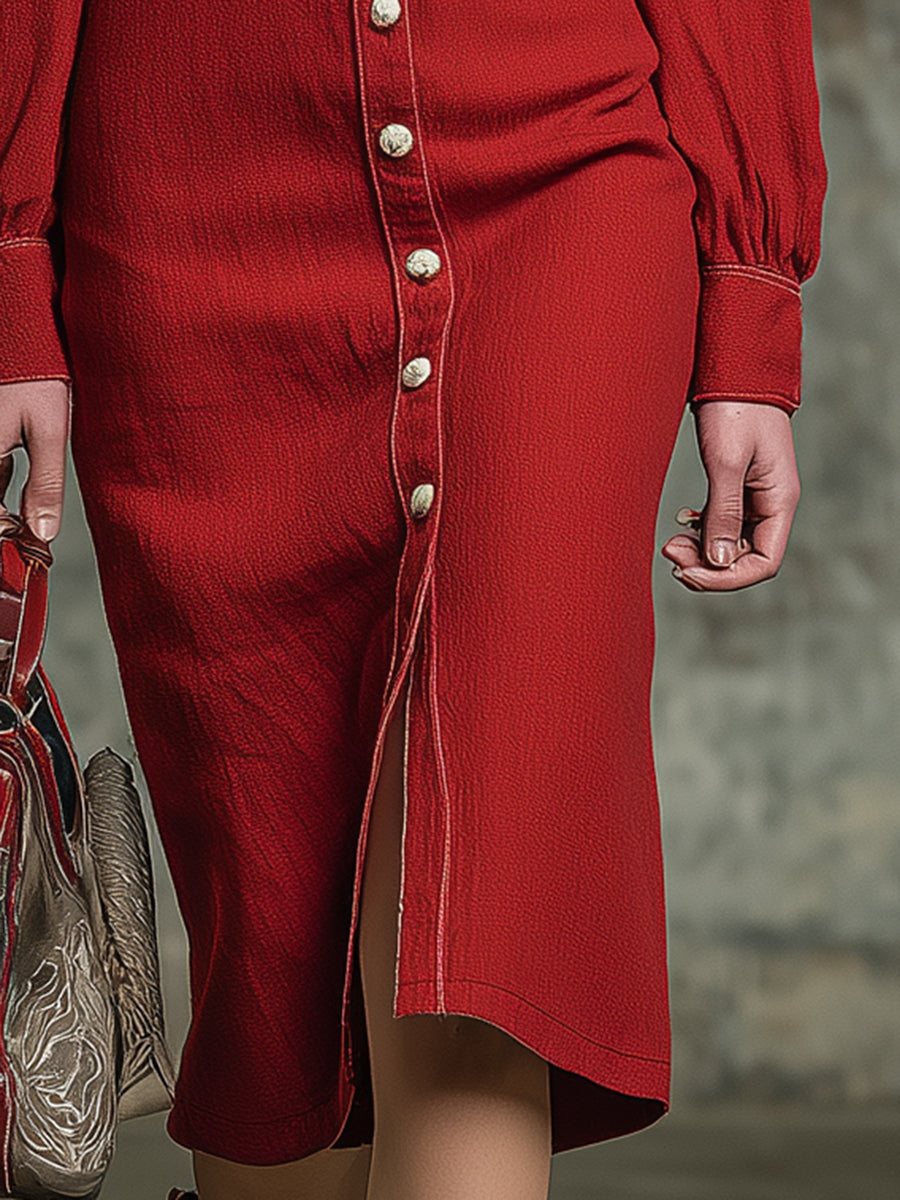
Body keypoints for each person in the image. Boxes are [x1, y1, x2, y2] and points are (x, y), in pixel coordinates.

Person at [0, 2, 828, 1199]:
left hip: (561, 161)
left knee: (477, 906)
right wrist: (14, 255)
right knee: (275, 972)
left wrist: (750, 289)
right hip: (192, 189)